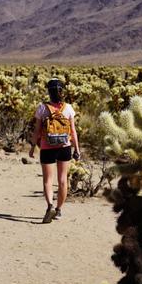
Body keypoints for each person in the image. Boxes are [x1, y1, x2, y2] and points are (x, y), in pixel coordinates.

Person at [29, 78, 81, 223]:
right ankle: (58, 210)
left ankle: (50, 206)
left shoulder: (42, 108)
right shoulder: (69, 108)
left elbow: (37, 131)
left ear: (48, 91)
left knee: (48, 180)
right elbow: (73, 131)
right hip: (64, 148)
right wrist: (76, 149)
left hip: (47, 148)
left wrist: (33, 147)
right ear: (61, 91)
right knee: (63, 180)